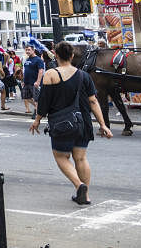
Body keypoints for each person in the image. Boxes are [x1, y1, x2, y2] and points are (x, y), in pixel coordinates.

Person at [30, 41, 112, 205]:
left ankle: (78, 185)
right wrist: (103, 125)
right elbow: (93, 102)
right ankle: (85, 195)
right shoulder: (84, 75)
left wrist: (37, 120)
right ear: (72, 56)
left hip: (62, 123)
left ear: (56, 55)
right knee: (81, 158)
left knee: (61, 156)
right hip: (83, 122)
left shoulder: (51, 74)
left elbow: (44, 102)